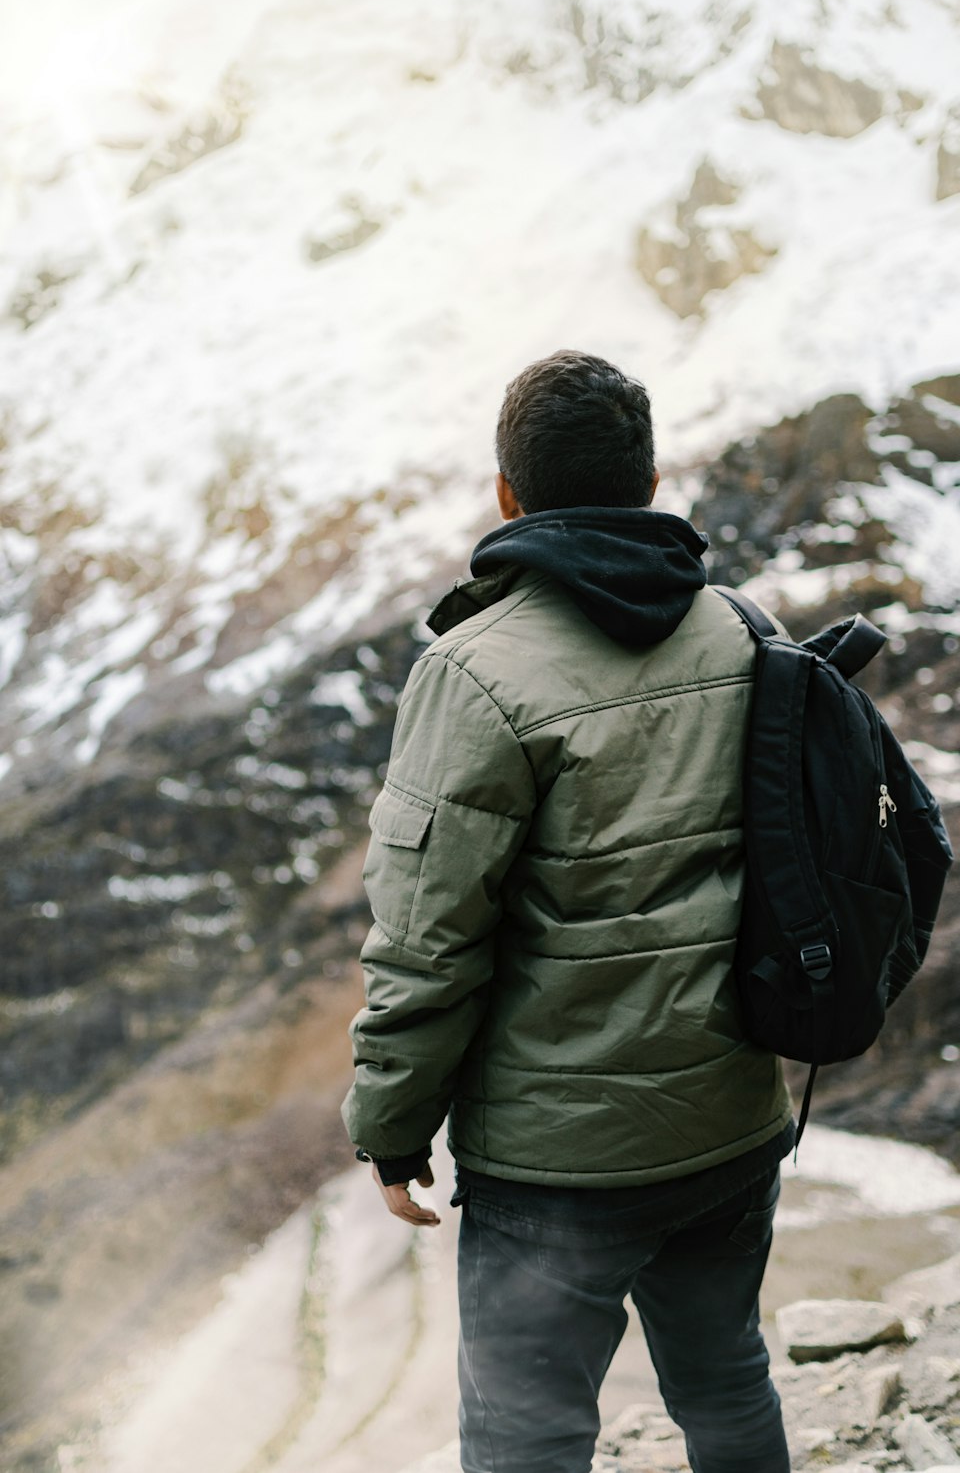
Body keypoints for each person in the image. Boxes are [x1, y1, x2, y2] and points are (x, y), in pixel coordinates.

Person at [342, 349, 795, 1473]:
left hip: (556, 1162)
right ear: (647, 482)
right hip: (731, 1117)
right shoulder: (741, 632)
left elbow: (426, 939)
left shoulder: (475, 671)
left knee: (525, 1436)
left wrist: (392, 1123)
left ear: (509, 496)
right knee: (728, 1382)